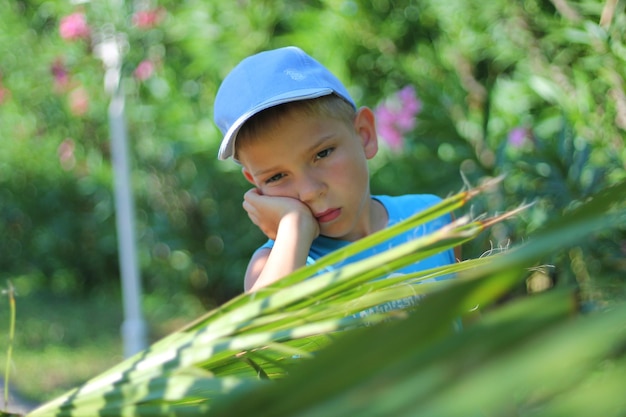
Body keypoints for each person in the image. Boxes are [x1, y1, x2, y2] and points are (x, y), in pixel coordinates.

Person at [213, 46, 458, 298]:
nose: (309, 192)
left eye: (322, 153)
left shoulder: (432, 218)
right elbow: (263, 332)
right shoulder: (274, 268)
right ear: (255, 185)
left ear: (364, 134)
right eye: (275, 177)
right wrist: (294, 226)